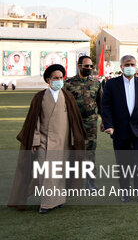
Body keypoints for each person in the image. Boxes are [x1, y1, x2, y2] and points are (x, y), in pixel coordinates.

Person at [7, 64, 86, 213]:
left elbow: (73, 120)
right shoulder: (40, 97)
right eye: (55, 78)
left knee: (60, 171)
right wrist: (35, 141)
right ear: (48, 80)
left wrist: (75, 140)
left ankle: (59, 199)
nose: (59, 80)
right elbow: (34, 121)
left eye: (61, 78)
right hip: (44, 141)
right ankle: (47, 203)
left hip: (64, 141)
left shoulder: (67, 96)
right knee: (45, 172)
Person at [101, 55, 138, 203]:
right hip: (120, 129)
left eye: (132, 64)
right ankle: (125, 191)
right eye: (127, 64)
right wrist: (109, 125)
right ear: (121, 67)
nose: (130, 67)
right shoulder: (111, 84)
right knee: (123, 162)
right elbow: (105, 106)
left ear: (136, 66)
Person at [64, 55, 102, 190]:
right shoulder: (68, 84)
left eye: (91, 66)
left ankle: (90, 183)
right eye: (86, 66)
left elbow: (100, 103)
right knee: (73, 152)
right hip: (74, 123)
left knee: (90, 153)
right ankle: (72, 183)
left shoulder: (96, 83)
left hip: (91, 123)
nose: (89, 68)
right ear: (79, 66)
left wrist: (104, 121)